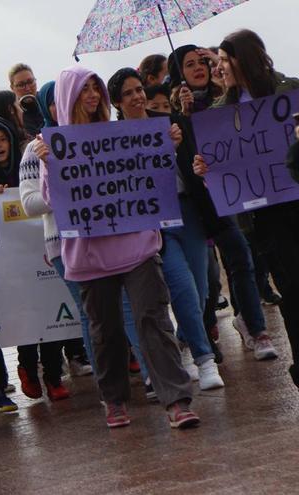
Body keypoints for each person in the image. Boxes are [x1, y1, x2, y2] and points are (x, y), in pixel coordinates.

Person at [41, 66, 198, 429]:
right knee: (106, 331)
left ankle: (176, 399)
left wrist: (166, 148)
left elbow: (153, 183)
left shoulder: (125, 133)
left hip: (138, 245)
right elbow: (51, 200)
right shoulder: (51, 144)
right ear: (68, 97)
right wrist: (49, 163)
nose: (93, 96)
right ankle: (113, 399)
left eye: (96, 88)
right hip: (89, 254)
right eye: (84, 90)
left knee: (153, 320)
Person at [193, 29, 299, 386]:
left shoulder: (289, 91)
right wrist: (207, 170)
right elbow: (225, 172)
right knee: (292, 288)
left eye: (223, 60)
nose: (218, 68)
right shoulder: (220, 113)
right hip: (265, 218)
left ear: (243, 59)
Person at [108, 67, 224, 390]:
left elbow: (196, 164)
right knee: (183, 286)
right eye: (128, 93)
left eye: (138, 90)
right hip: (153, 219)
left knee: (200, 291)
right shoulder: (114, 139)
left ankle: (187, 343)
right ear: (118, 102)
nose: (136, 97)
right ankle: (205, 360)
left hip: (188, 212)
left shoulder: (169, 123)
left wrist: (191, 158)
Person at [168, 40, 278, 362]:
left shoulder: (226, 97)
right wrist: (184, 116)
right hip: (194, 204)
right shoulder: (171, 108)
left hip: (228, 199)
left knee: (242, 259)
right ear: (178, 72)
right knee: (206, 282)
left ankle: (255, 328)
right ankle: (199, 336)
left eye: (202, 61)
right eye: (189, 64)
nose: (199, 67)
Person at [0, 115, 72, 402]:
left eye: (2, 139)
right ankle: (27, 368)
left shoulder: (29, 168)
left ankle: (54, 376)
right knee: (28, 319)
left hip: (41, 253)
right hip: (12, 263)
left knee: (51, 312)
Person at [9, 63, 45, 136]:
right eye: (21, 85)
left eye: (30, 82)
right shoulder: (11, 113)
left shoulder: (48, 103)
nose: (28, 88)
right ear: (12, 88)